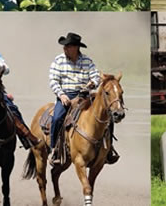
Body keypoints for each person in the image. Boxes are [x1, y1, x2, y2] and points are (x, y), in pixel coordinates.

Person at [48, 32, 118, 165]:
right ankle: (55, 149)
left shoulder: (87, 61)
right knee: (57, 117)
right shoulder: (58, 61)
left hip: (85, 95)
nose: (65, 48)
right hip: (66, 95)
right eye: (65, 46)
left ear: (76, 47)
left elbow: (96, 76)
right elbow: (53, 81)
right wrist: (61, 95)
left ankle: (109, 149)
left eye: (68, 46)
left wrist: (92, 83)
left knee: (108, 116)